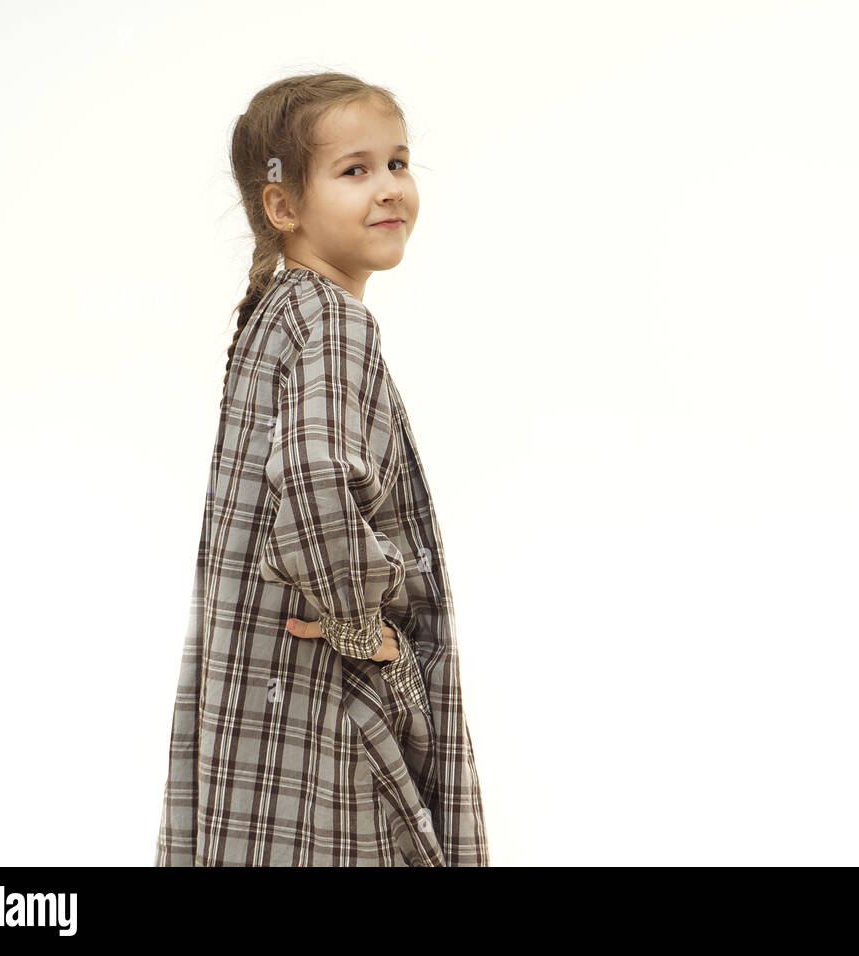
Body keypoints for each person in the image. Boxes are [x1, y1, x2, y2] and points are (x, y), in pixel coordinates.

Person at [153, 72, 489, 866]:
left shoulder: (279, 312)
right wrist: (360, 624)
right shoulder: (334, 323)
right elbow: (313, 484)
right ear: (283, 207)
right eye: (354, 170)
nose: (389, 190)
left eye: (398, 163)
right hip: (327, 697)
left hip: (264, 699)